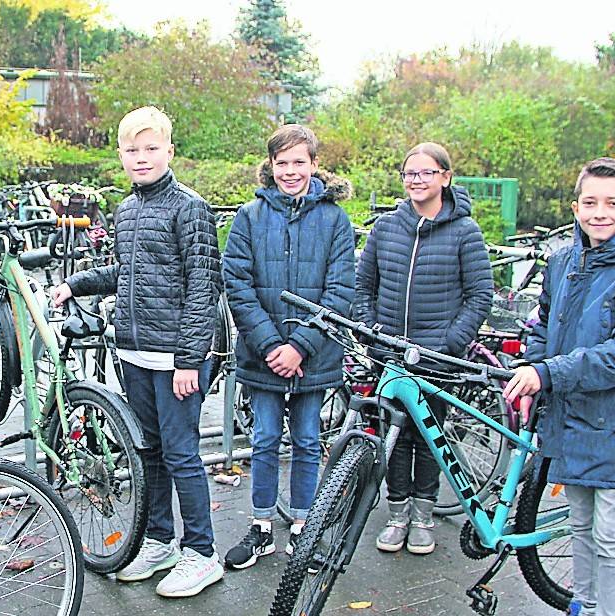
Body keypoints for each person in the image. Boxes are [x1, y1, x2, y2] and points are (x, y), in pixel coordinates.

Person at [51, 106, 223, 598]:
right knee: (149, 453)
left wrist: (190, 359)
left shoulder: (189, 207)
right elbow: (124, 273)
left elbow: (203, 286)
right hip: (135, 353)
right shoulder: (127, 210)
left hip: (176, 358)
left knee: (182, 453)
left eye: (151, 148)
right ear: (121, 155)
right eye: (132, 150)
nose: (141, 158)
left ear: (169, 151)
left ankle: (202, 552)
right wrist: (75, 284)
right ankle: (160, 540)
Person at [504, 158, 615, 616]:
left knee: (612, 534)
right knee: (580, 523)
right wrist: (532, 369)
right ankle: (585, 605)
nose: (600, 212)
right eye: (590, 202)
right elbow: (541, 324)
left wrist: (548, 373)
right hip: (568, 416)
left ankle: (612, 611)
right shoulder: (562, 263)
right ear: (575, 206)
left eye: (612, 203)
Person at [221, 124, 355, 568]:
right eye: (282, 163)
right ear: (271, 166)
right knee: (262, 440)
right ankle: (261, 527)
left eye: (300, 162)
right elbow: (237, 285)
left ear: (315, 165)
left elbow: (340, 292)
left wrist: (299, 346)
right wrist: (271, 345)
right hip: (263, 355)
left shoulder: (336, 220)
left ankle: (304, 526)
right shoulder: (249, 216)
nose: (291, 171)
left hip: (314, 356)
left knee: (307, 439)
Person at [354, 142, 492, 555]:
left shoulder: (465, 231)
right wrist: (372, 332)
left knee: (431, 437)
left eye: (427, 173)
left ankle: (423, 516)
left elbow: (480, 295)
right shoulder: (386, 228)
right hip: (390, 354)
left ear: (445, 177)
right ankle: (396, 514)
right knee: (393, 433)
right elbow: (364, 287)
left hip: (437, 358)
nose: (417, 181)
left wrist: (449, 344)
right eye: (410, 173)